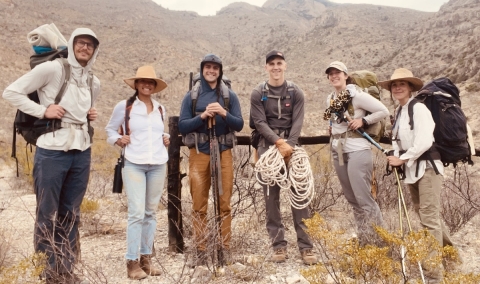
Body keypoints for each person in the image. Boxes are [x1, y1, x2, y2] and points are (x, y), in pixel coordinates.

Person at [3, 28, 100, 283]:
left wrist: (89, 116)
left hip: (82, 150)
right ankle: (48, 271)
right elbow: (11, 92)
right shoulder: (53, 69)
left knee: (71, 212)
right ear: (72, 44)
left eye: (90, 45)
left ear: (95, 50)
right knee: (47, 212)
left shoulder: (93, 81)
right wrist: (43, 110)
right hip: (52, 150)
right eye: (80, 43)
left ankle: (66, 269)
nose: (85, 48)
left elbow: (85, 109)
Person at [379, 68, 453, 281]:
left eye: (402, 84)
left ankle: (433, 273)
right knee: (428, 217)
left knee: (429, 218)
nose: (398, 87)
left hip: (428, 169)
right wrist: (396, 155)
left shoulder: (418, 109)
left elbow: (424, 142)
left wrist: (402, 158)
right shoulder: (400, 112)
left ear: (410, 87)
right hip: (413, 170)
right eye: (394, 85)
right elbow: (398, 141)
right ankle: (451, 257)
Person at [250, 50, 317, 265]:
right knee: (271, 200)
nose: (276, 67)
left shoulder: (296, 92)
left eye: (279, 63)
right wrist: (278, 143)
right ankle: (278, 246)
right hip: (267, 148)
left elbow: (298, 121)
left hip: (292, 148)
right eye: (272, 64)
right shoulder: (257, 92)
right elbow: (259, 122)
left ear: (285, 65)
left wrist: (290, 145)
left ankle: (306, 247)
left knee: (300, 198)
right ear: (266, 67)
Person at [178, 54, 243, 266]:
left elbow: (240, 124)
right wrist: (203, 116)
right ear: (202, 69)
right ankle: (201, 249)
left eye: (215, 68)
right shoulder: (192, 96)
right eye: (208, 67)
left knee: (224, 202)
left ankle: (225, 248)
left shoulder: (229, 96)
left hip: (223, 151)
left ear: (220, 70)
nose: (211, 71)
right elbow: (182, 126)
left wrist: (223, 112)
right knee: (199, 202)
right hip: (199, 152)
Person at [105, 66, 169, 280]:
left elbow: (157, 131)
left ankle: (146, 259)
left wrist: (165, 137)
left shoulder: (160, 108)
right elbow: (110, 130)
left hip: (158, 163)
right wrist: (117, 139)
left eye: (151, 82)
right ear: (136, 84)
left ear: (155, 86)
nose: (147, 85)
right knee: (136, 213)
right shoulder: (125, 107)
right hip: (134, 163)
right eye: (143, 81)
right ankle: (131, 261)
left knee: (151, 212)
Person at [323, 61, 389, 246]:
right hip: (338, 148)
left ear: (346, 75)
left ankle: (381, 242)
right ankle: (365, 240)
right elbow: (333, 120)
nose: (334, 76)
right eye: (331, 73)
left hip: (357, 148)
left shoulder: (356, 96)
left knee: (363, 198)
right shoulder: (330, 98)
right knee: (352, 199)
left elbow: (383, 111)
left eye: (338, 73)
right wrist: (332, 128)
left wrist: (363, 121)